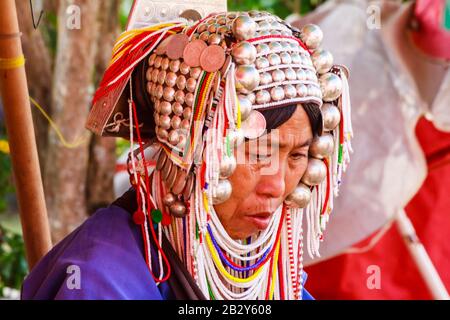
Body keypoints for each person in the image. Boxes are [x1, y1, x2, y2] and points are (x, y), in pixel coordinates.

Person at [21, 9, 352, 300]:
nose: (278, 186)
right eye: (260, 155)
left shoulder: (265, 273)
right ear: (190, 148)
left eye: (297, 157)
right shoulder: (98, 281)